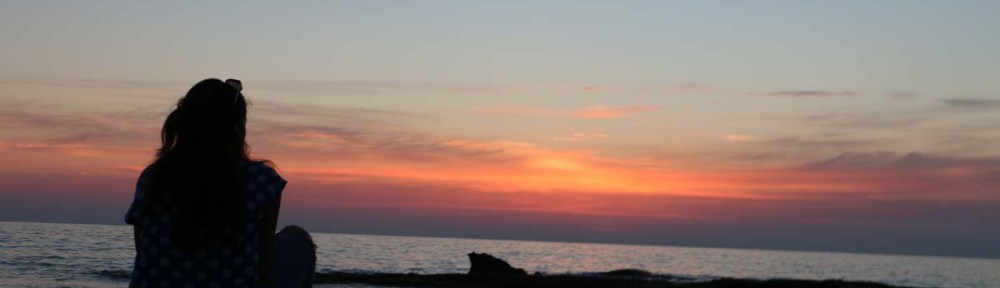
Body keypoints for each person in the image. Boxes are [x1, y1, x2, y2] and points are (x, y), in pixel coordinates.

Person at [124, 78, 316, 288]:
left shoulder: (153, 177)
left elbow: (144, 251)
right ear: (237, 127)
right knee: (298, 240)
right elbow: (261, 266)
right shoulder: (262, 181)